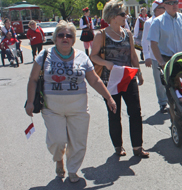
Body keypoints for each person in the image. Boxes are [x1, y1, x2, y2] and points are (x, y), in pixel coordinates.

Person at [25, 20, 117, 183]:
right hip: (52, 108)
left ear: (74, 39)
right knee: (58, 141)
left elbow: (94, 80)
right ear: (55, 38)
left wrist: (108, 97)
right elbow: (33, 80)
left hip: (78, 108)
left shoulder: (82, 57)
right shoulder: (44, 55)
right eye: (61, 35)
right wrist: (30, 102)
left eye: (69, 35)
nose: (65, 38)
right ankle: (59, 158)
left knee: (78, 141)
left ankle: (73, 170)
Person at [90, 0, 149, 158]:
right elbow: (93, 56)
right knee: (114, 114)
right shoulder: (100, 35)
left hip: (128, 78)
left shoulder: (127, 33)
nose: (126, 17)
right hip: (110, 81)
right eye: (123, 14)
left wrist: (139, 73)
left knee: (135, 112)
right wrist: (106, 63)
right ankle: (118, 146)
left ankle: (138, 147)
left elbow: (133, 55)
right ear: (113, 16)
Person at [142, 0, 169, 113]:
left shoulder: (168, 20)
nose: (164, 9)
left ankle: (173, 101)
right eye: (162, 8)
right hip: (155, 57)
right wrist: (146, 56)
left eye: (164, 7)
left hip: (169, 55)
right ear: (156, 10)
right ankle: (163, 103)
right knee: (159, 81)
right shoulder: (149, 22)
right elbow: (145, 41)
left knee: (171, 80)